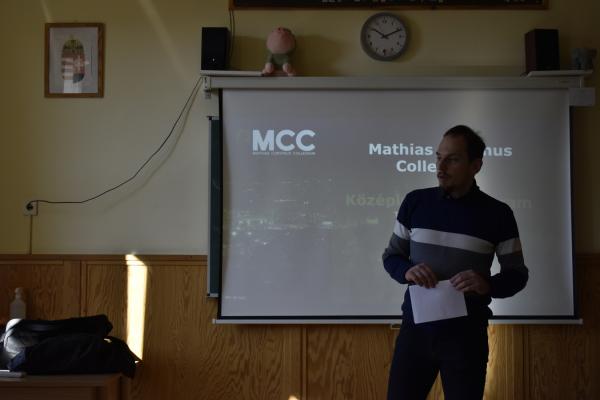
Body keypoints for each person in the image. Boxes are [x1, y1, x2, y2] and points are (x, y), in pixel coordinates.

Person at [382, 125, 529, 400]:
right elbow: (391, 257)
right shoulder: (415, 202)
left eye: (452, 159)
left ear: (476, 165)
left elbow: (517, 275)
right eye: (438, 157)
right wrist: (407, 270)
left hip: (466, 338)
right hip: (415, 333)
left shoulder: (499, 214)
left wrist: (487, 284)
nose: (440, 167)